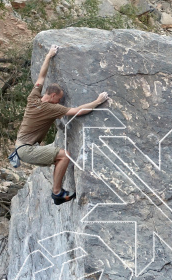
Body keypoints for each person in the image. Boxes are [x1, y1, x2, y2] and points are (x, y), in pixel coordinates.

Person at [14, 43, 109, 205]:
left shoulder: (34, 97)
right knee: (64, 156)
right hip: (26, 150)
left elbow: (41, 78)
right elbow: (78, 111)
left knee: (60, 157)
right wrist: (98, 101)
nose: (60, 101)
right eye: (59, 98)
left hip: (22, 147)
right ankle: (57, 193)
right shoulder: (49, 108)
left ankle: (58, 190)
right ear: (52, 96)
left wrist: (48, 56)